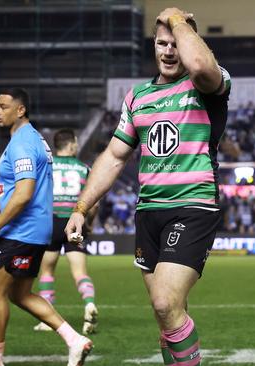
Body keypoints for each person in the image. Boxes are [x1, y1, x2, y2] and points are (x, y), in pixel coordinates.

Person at [65, 7, 231, 365]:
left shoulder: (207, 85)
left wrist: (176, 18)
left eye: (176, 43)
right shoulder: (137, 97)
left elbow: (201, 65)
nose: (169, 51)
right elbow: (113, 157)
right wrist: (81, 208)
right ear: (152, 47)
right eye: (161, 43)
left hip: (192, 205)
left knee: (164, 303)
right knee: (166, 317)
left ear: (189, 42)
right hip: (148, 214)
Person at [0, 88, 93, 366]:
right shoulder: (33, 139)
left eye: (4, 106)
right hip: (34, 228)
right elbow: (23, 191)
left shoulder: (22, 142)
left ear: (20, 110)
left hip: (23, 231)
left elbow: (24, 193)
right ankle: (74, 340)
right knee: (19, 294)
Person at [33, 128, 99, 335]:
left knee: (46, 271)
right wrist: (89, 223)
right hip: (74, 222)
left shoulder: (46, 168)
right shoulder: (84, 168)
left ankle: (46, 319)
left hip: (51, 222)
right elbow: (94, 204)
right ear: (71, 145)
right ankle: (89, 304)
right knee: (80, 272)